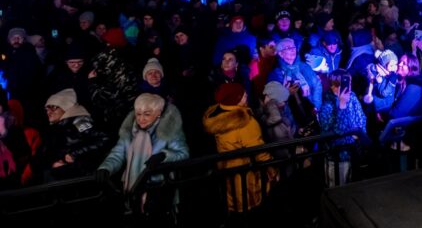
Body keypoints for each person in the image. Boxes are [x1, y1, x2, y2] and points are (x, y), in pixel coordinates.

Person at [96, 93, 189, 221]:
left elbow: (183, 153)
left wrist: (164, 155)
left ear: (158, 113)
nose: (141, 119)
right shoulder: (129, 130)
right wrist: (106, 168)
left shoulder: (169, 130)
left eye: (147, 114)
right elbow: (118, 153)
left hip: (159, 187)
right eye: (138, 114)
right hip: (134, 185)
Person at [202, 83, 274, 215]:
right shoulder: (245, 122)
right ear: (235, 99)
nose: (247, 96)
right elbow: (259, 151)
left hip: (227, 172)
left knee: (235, 205)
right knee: (251, 208)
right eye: (243, 95)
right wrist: (272, 171)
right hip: (247, 175)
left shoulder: (217, 116)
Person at [37, 88, 109, 181]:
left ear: (65, 107)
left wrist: (74, 155)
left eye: (53, 107)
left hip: (81, 176)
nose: (48, 112)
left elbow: (103, 139)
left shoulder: (79, 121)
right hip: (69, 174)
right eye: (47, 108)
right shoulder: (59, 126)